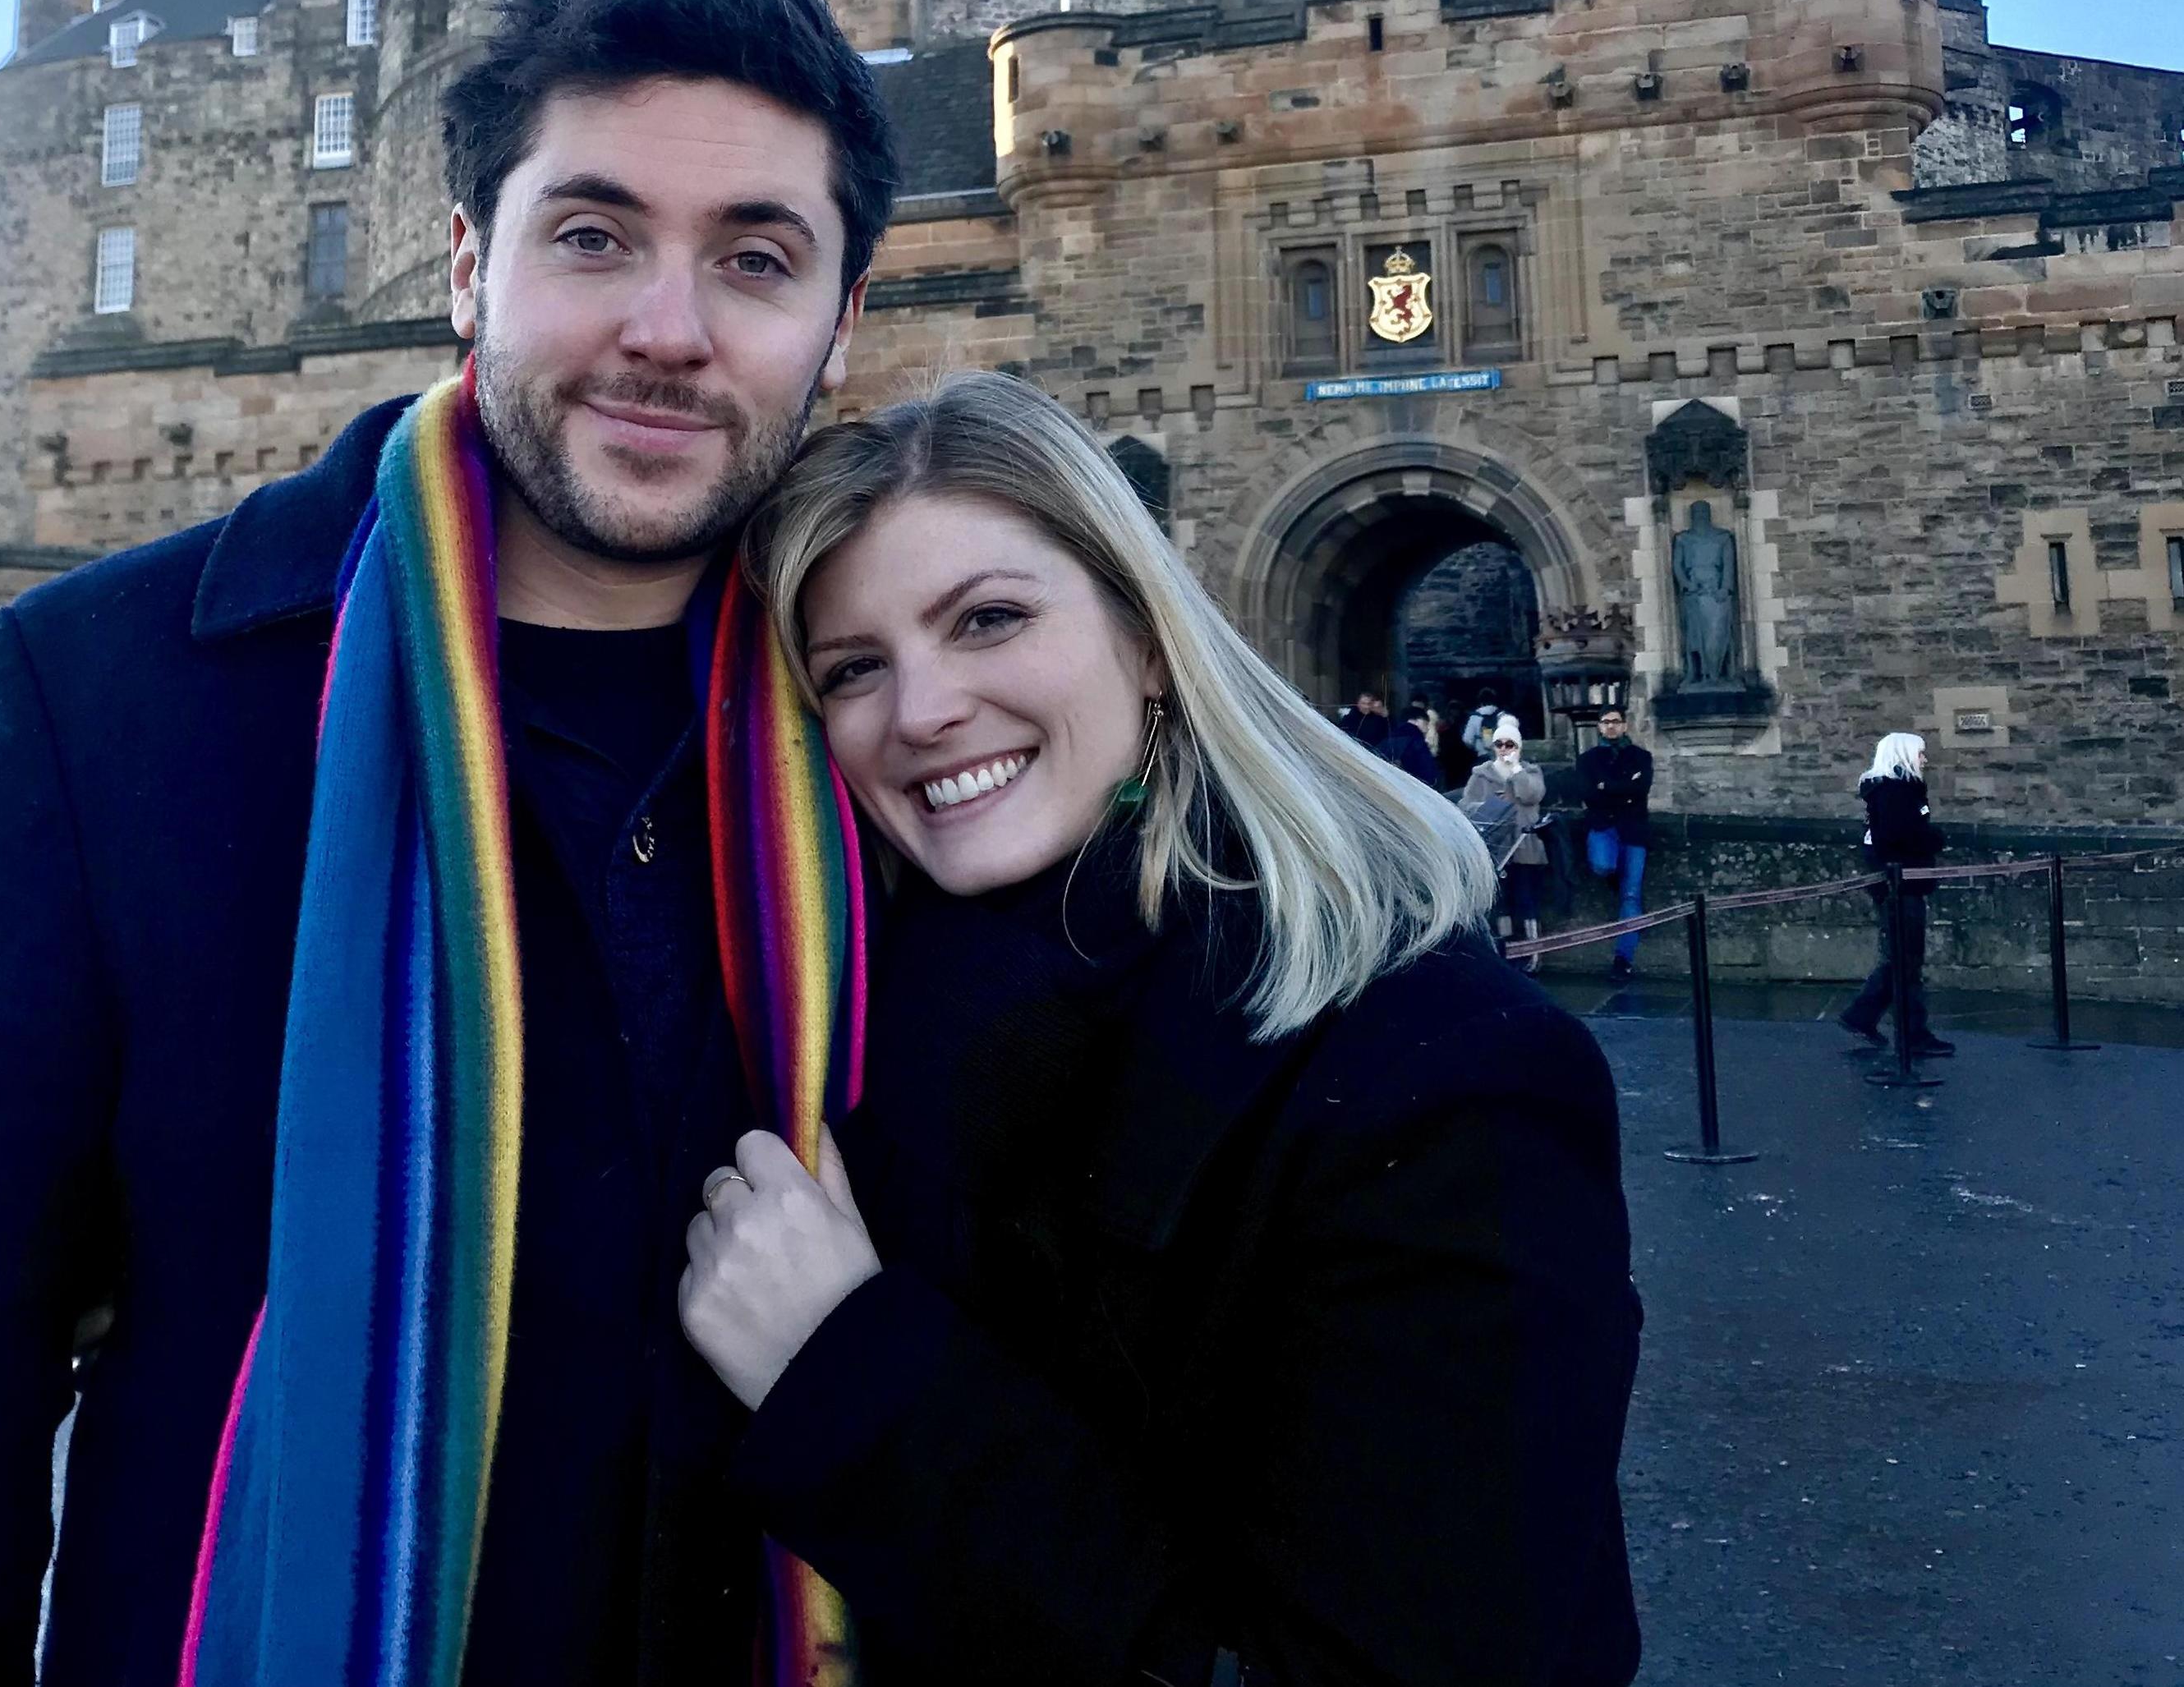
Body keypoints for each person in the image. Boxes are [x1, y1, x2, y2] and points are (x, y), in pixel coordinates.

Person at [0, 0, 900, 1685]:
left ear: (841, 323)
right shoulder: (112, 696)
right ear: (467, 266)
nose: (667, 328)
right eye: (591, 236)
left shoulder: (910, 729)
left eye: (756, 259)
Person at [677, 375, 1644, 1685]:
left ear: (1145, 636)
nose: (921, 711)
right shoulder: (837, 1031)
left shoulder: (1441, 1076)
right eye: (853, 668)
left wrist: (846, 1372)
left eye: (989, 619)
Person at [1839, 731, 1955, 1056]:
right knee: (1906, 961)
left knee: (1902, 959)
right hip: (1900, 883)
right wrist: (1933, 839)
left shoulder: (1897, 790)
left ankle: (1864, 1016)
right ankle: (1910, 1033)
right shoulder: (1896, 792)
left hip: (1901, 882)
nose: (1924, 760)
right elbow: (1899, 837)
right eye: (1920, 753)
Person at [1577, 708, 1655, 977]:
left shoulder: (1641, 757)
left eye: (1616, 722)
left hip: (1634, 830)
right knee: (1601, 865)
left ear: (1624, 726)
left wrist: (1605, 786)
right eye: (1606, 722)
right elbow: (1588, 793)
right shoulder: (1587, 759)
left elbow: (1641, 788)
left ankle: (1623, 958)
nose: (1611, 727)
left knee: (1631, 895)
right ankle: (1613, 877)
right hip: (1603, 827)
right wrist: (1623, 788)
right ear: (1599, 727)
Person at [1462, 712, 1550, 947]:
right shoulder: (1481, 774)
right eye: (1499, 744)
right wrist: (1489, 807)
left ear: (1518, 746)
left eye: (1510, 744)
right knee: (1501, 901)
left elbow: (1532, 795)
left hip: (1524, 845)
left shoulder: (1531, 772)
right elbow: (1466, 806)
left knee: (1526, 899)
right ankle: (1506, 948)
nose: (1504, 748)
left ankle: (1532, 951)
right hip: (1496, 846)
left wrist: (1516, 772)